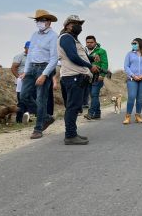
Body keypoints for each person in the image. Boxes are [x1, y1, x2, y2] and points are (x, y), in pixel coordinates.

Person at [58, 15, 99, 145]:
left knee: (75, 107)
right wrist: (89, 66)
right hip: (72, 76)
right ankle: (70, 135)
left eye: (80, 24)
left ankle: (73, 133)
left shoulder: (73, 39)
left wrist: (91, 60)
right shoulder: (66, 38)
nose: (79, 26)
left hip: (77, 76)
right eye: (76, 23)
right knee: (72, 107)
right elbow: (72, 56)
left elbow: (80, 56)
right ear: (68, 25)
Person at [21, 10, 59, 139]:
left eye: (41, 20)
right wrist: (26, 71)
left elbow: (54, 59)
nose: (39, 23)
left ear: (48, 21)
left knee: (41, 99)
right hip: (31, 68)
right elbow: (30, 54)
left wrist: (44, 75)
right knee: (24, 96)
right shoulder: (34, 35)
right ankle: (47, 117)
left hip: (44, 68)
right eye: (37, 20)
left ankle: (38, 129)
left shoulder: (53, 36)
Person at [123, 38, 142, 124]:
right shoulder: (129, 54)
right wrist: (133, 75)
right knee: (132, 96)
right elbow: (126, 66)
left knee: (140, 98)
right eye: (132, 43)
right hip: (132, 79)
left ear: (140, 44)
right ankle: (127, 116)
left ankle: (138, 116)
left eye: (135, 43)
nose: (133, 45)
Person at [84, 35, 108, 120]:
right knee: (93, 95)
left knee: (94, 94)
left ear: (95, 42)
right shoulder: (83, 51)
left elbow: (104, 63)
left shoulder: (101, 51)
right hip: (87, 76)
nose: (89, 44)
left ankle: (91, 113)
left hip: (97, 76)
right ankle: (97, 113)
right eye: (88, 42)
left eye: (91, 42)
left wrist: (102, 75)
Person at [12, 41, 33, 123]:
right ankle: (19, 118)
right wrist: (18, 77)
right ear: (25, 48)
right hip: (21, 81)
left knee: (29, 99)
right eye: (29, 48)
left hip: (30, 81)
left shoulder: (33, 57)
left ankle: (26, 117)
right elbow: (13, 68)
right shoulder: (19, 56)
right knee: (21, 100)